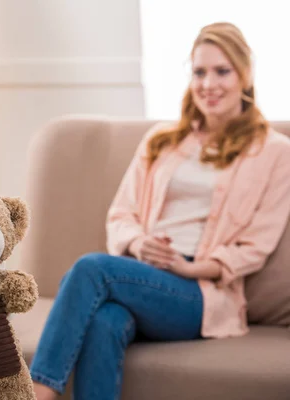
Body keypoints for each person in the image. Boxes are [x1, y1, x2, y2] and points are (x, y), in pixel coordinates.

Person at [31, 22, 290, 400]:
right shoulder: (162, 141)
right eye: (199, 72)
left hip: (200, 292)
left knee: (91, 268)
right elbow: (121, 215)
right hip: (142, 273)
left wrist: (190, 268)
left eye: (222, 71)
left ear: (245, 76)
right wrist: (139, 244)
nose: (208, 84)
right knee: (105, 321)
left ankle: (38, 393)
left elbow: (256, 246)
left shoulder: (274, 151)